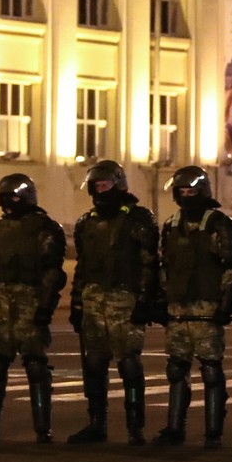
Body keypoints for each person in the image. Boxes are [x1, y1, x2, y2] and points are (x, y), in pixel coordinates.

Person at [0, 173, 66, 443]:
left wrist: (45, 305)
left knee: (35, 366)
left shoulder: (46, 228)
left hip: (30, 298)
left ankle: (42, 428)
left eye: (11, 198)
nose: (6, 205)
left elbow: (52, 272)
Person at [68, 159, 159, 445]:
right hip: (94, 297)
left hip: (125, 297)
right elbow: (82, 265)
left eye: (105, 185)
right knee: (94, 362)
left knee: (128, 363)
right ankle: (97, 422)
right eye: (96, 186)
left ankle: (135, 427)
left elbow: (149, 263)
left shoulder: (137, 218)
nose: (100, 190)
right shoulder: (87, 222)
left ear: (118, 185)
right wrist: (76, 301)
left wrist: (145, 300)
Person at [156, 166, 232, 448]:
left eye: (191, 191)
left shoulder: (218, 223)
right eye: (181, 191)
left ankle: (213, 431)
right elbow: (165, 266)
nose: (185, 196)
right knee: (176, 368)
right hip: (178, 307)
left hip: (207, 305)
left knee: (210, 368)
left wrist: (226, 302)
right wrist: (161, 299)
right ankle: (174, 427)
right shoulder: (171, 224)